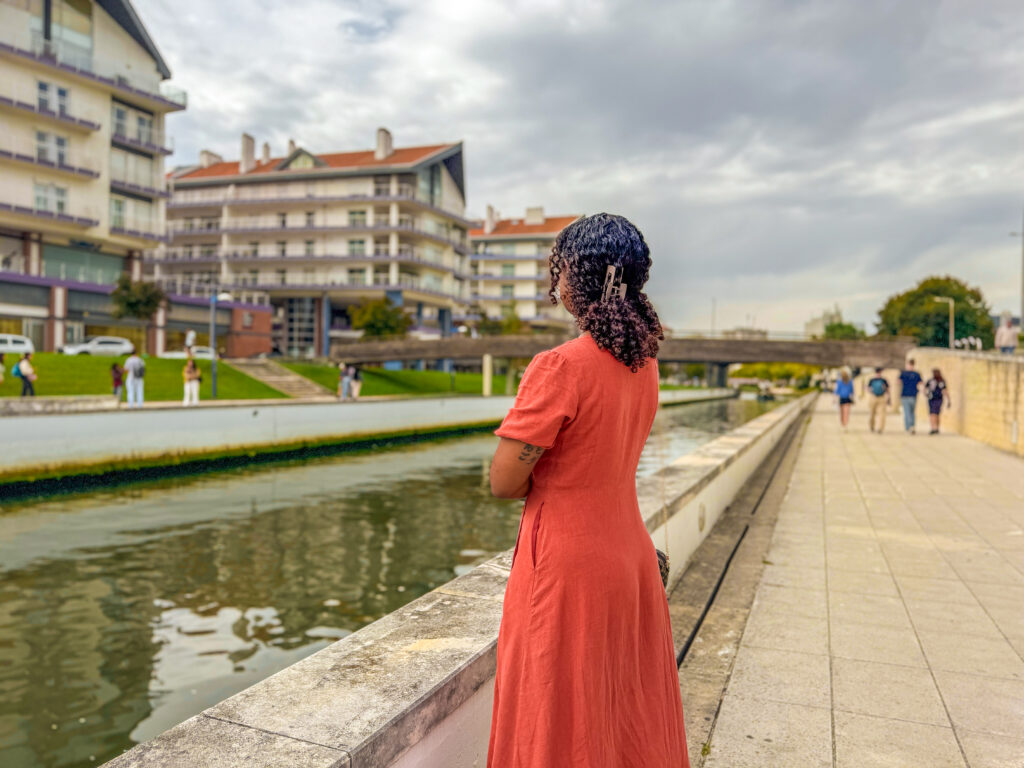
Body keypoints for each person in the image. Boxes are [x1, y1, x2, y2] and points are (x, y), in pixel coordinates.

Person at [486, 214, 688, 767]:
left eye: (559, 269)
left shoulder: (560, 367)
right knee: (618, 711)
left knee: (556, 713)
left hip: (567, 564)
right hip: (629, 555)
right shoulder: (642, 363)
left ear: (575, 276)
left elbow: (503, 481)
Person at [898, 359, 923, 434]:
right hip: (913, 395)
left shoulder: (903, 373)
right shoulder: (916, 374)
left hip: (905, 395)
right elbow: (921, 383)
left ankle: (908, 427)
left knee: (907, 412)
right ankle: (912, 426)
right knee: (912, 412)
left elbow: (898, 382)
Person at [925, 368, 951, 434]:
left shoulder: (940, 381)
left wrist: (948, 400)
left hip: (937, 399)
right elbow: (925, 388)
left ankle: (935, 428)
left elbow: (944, 391)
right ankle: (934, 427)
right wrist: (948, 400)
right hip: (934, 399)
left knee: (934, 413)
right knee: (934, 413)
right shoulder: (936, 381)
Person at [866, 367, 891, 433]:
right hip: (879, 397)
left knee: (879, 414)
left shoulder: (872, 380)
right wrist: (888, 397)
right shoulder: (883, 380)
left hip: (876, 397)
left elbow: (868, 389)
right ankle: (876, 427)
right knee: (874, 414)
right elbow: (888, 389)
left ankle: (878, 428)